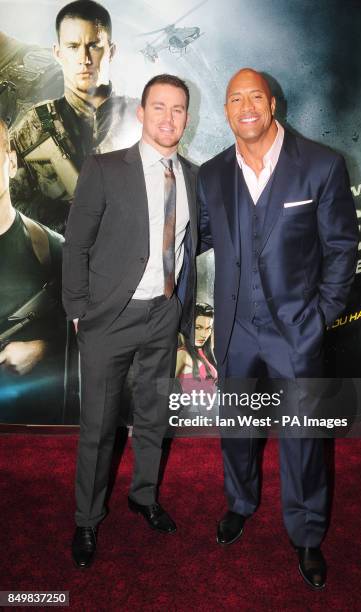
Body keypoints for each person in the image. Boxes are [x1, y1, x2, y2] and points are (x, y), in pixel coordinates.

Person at [198, 68, 358, 589]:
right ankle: (240, 503)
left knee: (304, 439)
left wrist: (320, 316)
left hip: (296, 331)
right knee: (238, 431)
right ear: (226, 111)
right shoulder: (212, 174)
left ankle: (308, 534)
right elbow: (193, 237)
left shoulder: (320, 165)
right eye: (234, 99)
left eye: (254, 97)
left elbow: (340, 249)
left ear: (273, 104)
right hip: (235, 330)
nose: (245, 107)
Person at [63, 74, 198, 568]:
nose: (168, 117)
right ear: (141, 113)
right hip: (108, 319)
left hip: (164, 315)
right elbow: (76, 243)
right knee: (97, 427)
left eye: (178, 109)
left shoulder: (193, 176)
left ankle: (143, 496)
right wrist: (79, 312)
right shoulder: (103, 169)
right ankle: (86, 520)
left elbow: (186, 242)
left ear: (187, 116)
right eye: (158, 107)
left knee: (153, 417)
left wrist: (180, 310)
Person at [10, 0, 139, 234]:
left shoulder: (144, 120)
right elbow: (8, 202)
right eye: (72, 46)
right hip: (59, 263)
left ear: (111, 51)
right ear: (58, 54)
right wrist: (60, 219)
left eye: (94, 45)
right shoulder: (32, 127)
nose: (84, 58)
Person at [0, 119, 65, 424]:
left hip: (31, 430)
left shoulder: (50, 248)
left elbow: (88, 335)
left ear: (11, 162)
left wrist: (41, 349)